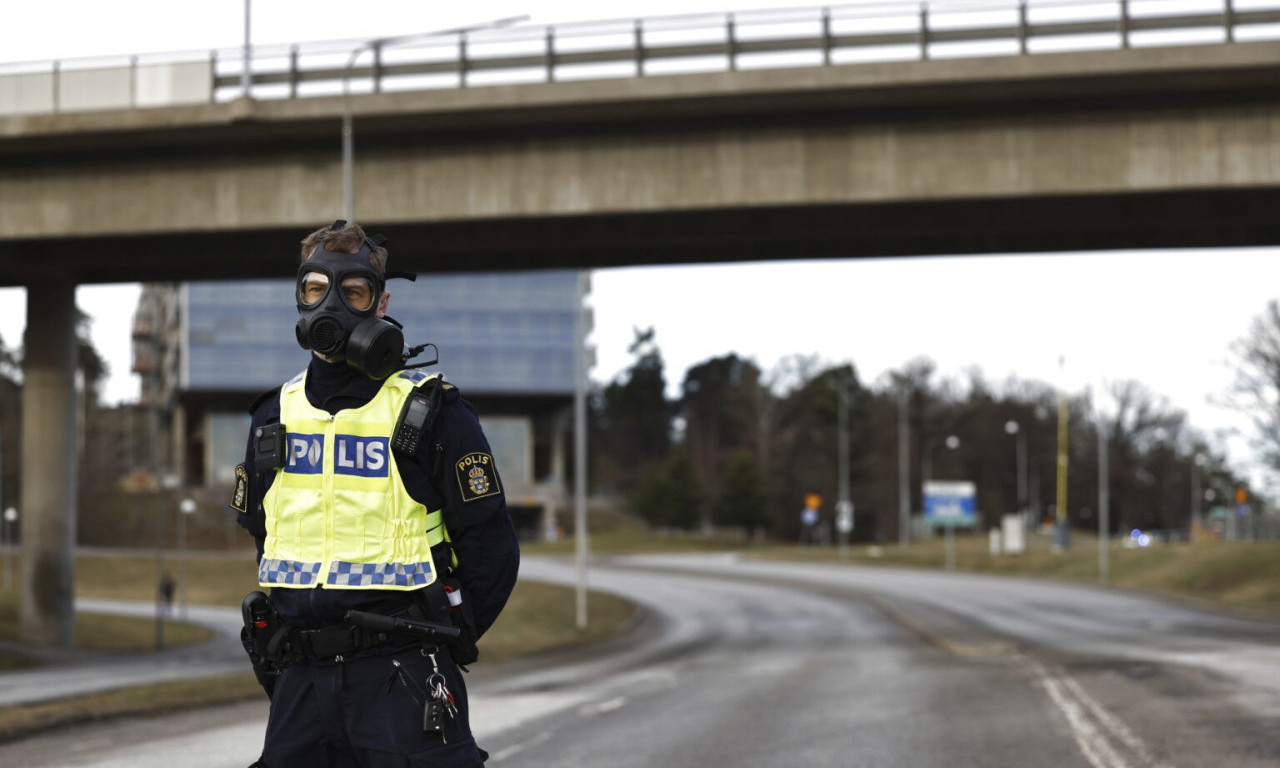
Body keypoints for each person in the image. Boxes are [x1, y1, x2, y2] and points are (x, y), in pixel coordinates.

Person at [229, 220, 520, 768]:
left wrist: (444, 638)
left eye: (353, 291)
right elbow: (265, 537)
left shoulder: (433, 413)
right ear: (300, 296)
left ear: (381, 303)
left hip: (403, 677)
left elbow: (492, 551)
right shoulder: (273, 416)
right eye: (316, 289)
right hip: (301, 685)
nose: (331, 305)